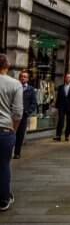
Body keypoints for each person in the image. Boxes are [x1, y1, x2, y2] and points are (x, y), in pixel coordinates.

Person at [0, 55, 22, 211]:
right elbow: (18, 113)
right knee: (3, 165)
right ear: (7, 66)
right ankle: (3, 199)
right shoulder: (15, 84)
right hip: (5, 130)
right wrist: (13, 128)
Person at [13, 71, 36, 159]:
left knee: (20, 135)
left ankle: (17, 153)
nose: (23, 78)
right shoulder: (15, 87)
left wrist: (28, 112)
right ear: (19, 78)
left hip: (23, 116)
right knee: (11, 134)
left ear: (28, 79)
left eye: (25, 77)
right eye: (22, 76)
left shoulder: (31, 89)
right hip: (14, 115)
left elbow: (33, 103)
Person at [54, 74, 70, 142]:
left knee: (69, 121)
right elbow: (58, 97)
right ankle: (58, 135)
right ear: (65, 78)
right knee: (61, 120)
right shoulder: (61, 87)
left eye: (69, 77)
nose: (68, 78)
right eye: (67, 77)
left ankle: (67, 135)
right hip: (61, 106)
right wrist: (56, 106)